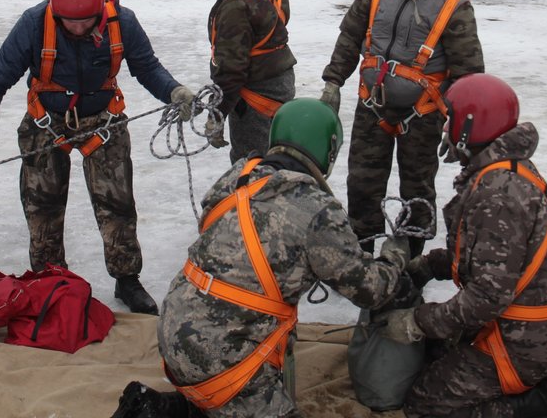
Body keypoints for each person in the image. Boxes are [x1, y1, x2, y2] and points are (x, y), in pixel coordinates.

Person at [129, 98, 410, 418]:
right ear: (328, 150)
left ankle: (196, 402)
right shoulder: (317, 210)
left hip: (174, 332)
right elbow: (371, 291)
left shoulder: (237, 176)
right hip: (219, 361)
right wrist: (395, 255)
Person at [0, 0, 197, 315]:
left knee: (117, 203)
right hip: (46, 120)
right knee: (42, 205)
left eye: (83, 21)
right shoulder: (35, 23)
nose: (75, 27)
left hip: (103, 120)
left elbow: (147, 67)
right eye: (67, 21)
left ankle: (126, 278)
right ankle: (48, 280)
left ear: (100, 9)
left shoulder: (123, 22)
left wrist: (174, 91)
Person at [381, 74, 547, 418]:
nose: (445, 129)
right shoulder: (503, 172)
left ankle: (535, 408)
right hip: (526, 328)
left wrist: (418, 322)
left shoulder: (497, 195)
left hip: (520, 342)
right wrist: (429, 266)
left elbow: (486, 297)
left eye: (450, 120)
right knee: (436, 356)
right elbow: (488, 258)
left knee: (424, 404)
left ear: (471, 126)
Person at [319, 0, 484, 254]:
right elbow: (350, 37)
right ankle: (361, 253)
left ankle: (410, 260)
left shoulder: (455, 8)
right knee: (362, 183)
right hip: (373, 105)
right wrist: (333, 82)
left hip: (422, 115)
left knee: (417, 189)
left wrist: (460, 126)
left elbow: (469, 75)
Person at [206, 0, 296, 162]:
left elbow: (231, 69)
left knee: (252, 167)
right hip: (279, 89)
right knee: (275, 159)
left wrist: (217, 112)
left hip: (255, 101)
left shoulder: (237, 3)